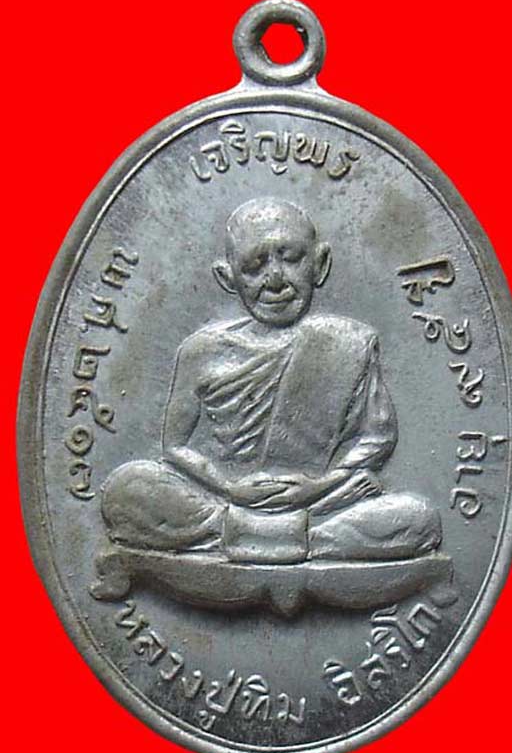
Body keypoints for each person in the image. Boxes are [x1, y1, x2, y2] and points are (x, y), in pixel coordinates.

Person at [101, 198, 441, 562]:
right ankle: (291, 540)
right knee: (128, 489)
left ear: (320, 264)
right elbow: (174, 446)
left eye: (291, 258)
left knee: (418, 519)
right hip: (225, 502)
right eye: (254, 266)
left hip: (320, 503)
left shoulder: (349, 342)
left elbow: (377, 437)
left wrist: (319, 486)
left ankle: (247, 539)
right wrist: (230, 488)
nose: (275, 280)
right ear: (228, 278)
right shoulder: (202, 350)